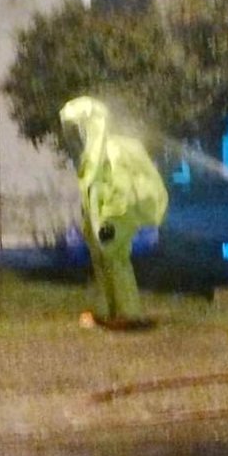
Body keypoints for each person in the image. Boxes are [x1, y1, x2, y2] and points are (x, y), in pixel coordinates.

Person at [59, 96, 169, 329]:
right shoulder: (91, 154)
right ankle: (109, 311)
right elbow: (93, 191)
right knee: (103, 261)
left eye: (75, 128)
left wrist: (108, 220)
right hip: (100, 220)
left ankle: (129, 313)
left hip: (115, 217)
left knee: (116, 260)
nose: (73, 136)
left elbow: (120, 190)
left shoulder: (111, 151)